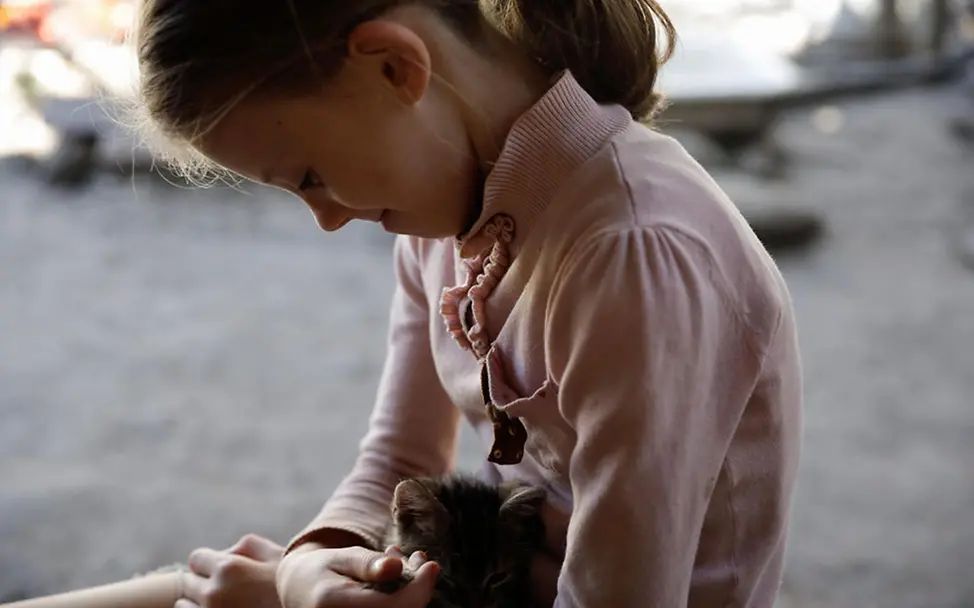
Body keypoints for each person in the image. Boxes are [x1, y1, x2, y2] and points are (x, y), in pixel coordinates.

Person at [11, 0, 803, 606]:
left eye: (312, 176)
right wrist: (315, 569)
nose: (324, 218)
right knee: (194, 586)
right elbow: (397, 462)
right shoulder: (448, 218)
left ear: (394, 67)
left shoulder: (631, 251)